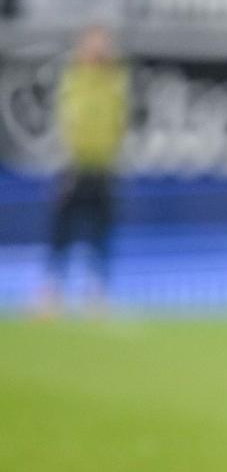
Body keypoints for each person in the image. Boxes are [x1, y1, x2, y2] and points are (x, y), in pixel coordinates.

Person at [39, 24, 128, 316]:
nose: (99, 50)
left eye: (103, 44)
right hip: (74, 167)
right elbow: (67, 123)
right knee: (62, 231)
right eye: (93, 44)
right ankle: (51, 292)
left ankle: (96, 293)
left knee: (101, 232)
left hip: (103, 168)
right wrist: (64, 162)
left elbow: (117, 123)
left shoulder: (114, 81)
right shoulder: (73, 79)